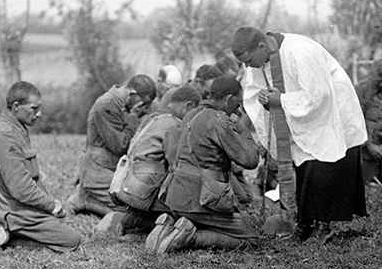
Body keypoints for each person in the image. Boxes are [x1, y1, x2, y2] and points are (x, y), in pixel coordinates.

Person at [231, 26, 368, 243]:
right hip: (298, 117)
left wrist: (282, 100)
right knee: (303, 169)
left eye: (249, 60)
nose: (248, 66)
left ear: (261, 46)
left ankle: (324, 227)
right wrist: (266, 101)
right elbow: (255, 92)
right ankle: (305, 224)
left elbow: (318, 95)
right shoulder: (259, 60)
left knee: (322, 168)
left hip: (329, 111)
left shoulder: (299, 52)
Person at [154, 77, 260, 254]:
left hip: (175, 197)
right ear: (228, 99)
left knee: (212, 220)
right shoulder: (219, 121)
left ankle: (169, 226)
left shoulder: (190, 114)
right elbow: (250, 160)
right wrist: (243, 128)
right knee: (251, 239)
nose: (238, 109)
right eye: (237, 103)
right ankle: (191, 237)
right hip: (201, 201)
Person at [0, 81, 81, 252]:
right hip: (15, 211)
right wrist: (50, 205)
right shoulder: (6, 136)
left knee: (65, 225)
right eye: (34, 108)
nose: (39, 113)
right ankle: (12, 238)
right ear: (16, 107)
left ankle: (10, 230)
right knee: (72, 239)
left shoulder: (15, 128)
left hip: (20, 206)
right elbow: (21, 188)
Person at [97, 86, 202, 238]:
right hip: (144, 191)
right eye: (194, 112)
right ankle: (139, 222)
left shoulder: (151, 119)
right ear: (188, 106)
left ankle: (132, 218)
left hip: (127, 184)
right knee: (184, 214)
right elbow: (176, 165)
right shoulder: (174, 124)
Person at [68, 75, 156, 216]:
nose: (145, 109)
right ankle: (86, 200)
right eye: (143, 105)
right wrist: (133, 118)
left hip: (113, 170)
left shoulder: (122, 105)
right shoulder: (106, 106)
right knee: (131, 211)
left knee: (141, 203)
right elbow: (120, 145)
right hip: (98, 172)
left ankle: (88, 198)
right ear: (132, 94)